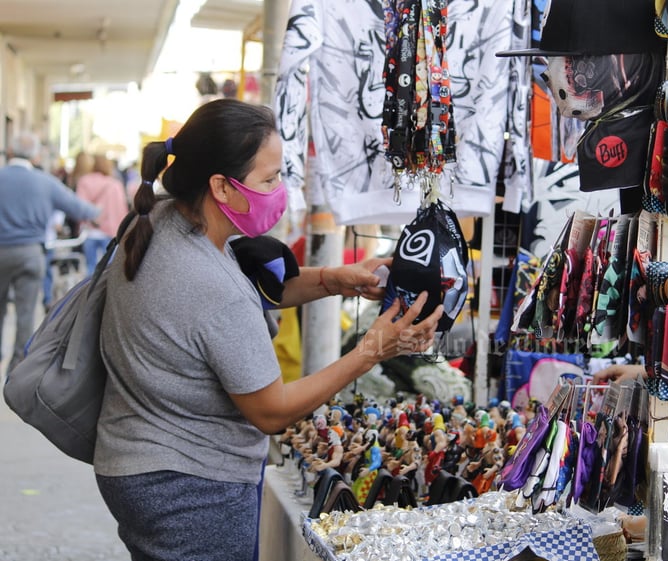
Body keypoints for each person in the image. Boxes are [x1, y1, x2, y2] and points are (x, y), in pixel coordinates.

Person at [93, 98, 443, 561]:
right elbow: (272, 412)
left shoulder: (158, 220)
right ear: (221, 186)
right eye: (270, 179)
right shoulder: (209, 284)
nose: (281, 191)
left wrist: (331, 279)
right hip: (188, 488)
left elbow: (226, 302)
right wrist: (373, 348)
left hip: (140, 464)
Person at [0, 132, 100, 374]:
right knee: (26, 311)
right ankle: (16, 367)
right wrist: (99, 212)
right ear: (35, 155)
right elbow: (81, 209)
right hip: (30, 253)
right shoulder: (44, 182)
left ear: (10, 153)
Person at [75, 154, 129, 275]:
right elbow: (121, 210)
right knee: (108, 271)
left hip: (88, 231)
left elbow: (79, 206)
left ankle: (90, 293)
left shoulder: (84, 181)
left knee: (90, 269)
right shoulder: (115, 184)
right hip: (110, 232)